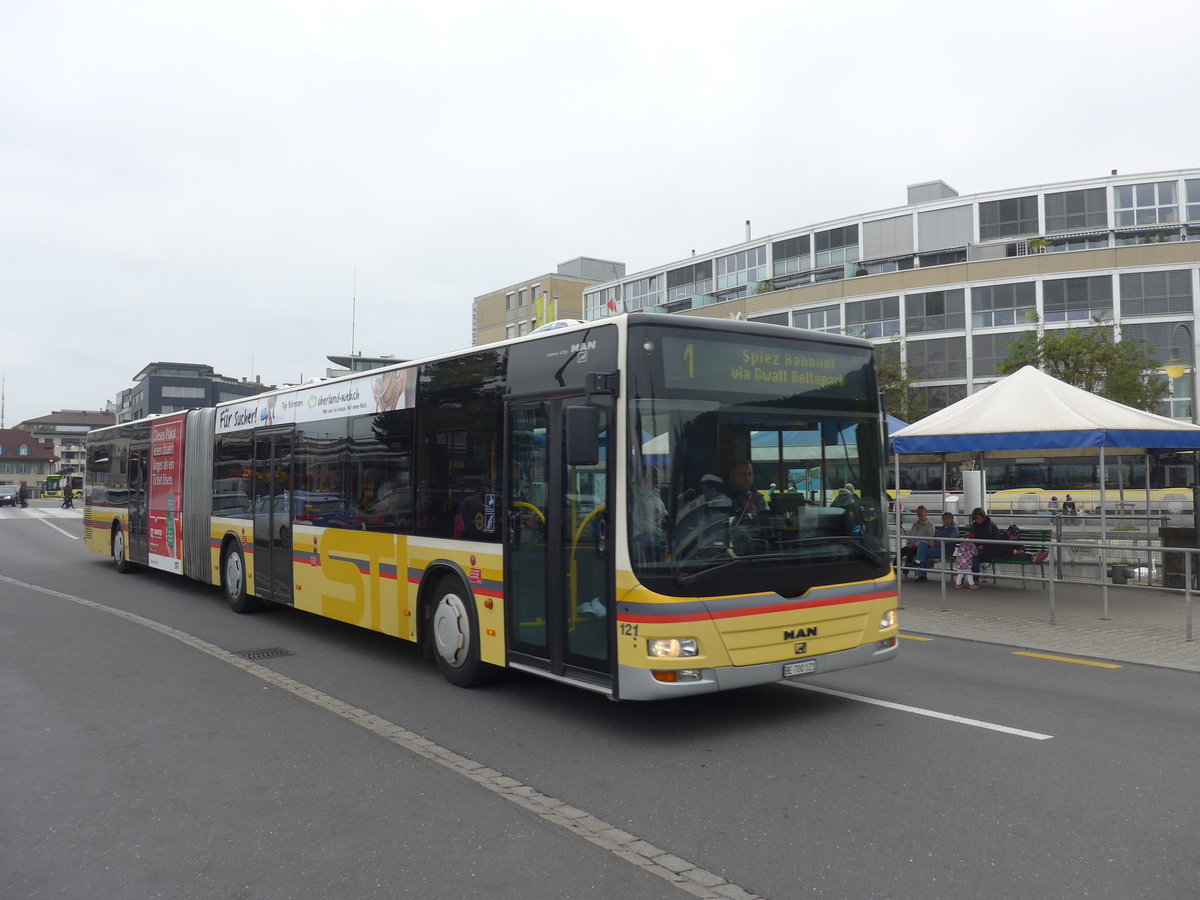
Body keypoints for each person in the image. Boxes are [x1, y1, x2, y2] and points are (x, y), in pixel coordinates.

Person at [913, 511, 960, 580]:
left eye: (946, 518)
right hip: (936, 547)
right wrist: (931, 541)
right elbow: (935, 536)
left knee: (924, 552)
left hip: (945, 549)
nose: (944, 520)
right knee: (923, 543)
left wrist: (936, 543)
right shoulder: (943, 528)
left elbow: (950, 540)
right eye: (943, 519)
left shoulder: (954, 529)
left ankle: (921, 574)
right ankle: (918, 561)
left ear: (951, 519)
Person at [964, 507, 1002, 583]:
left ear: (983, 517)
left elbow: (997, 542)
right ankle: (963, 580)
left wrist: (984, 546)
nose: (977, 520)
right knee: (965, 556)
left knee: (974, 557)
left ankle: (974, 580)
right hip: (976, 549)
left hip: (989, 551)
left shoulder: (991, 526)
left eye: (978, 518)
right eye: (975, 519)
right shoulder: (974, 526)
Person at [725, 459, 768, 524]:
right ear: (732, 476)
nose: (747, 478)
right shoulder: (724, 500)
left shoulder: (760, 498)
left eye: (750, 474)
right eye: (742, 474)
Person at [900, 505, 935, 578]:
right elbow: (910, 535)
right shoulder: (915, 524)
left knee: (910, 550)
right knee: (901, 551)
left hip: (921, 547)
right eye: (918, 512)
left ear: (925, 513)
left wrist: (915, 544)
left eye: (921, 512)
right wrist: (908, 543)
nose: (919, 514)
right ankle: (895, 570)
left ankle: (905, 572)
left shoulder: (930, 525)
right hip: (912, 545)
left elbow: (929, 539)